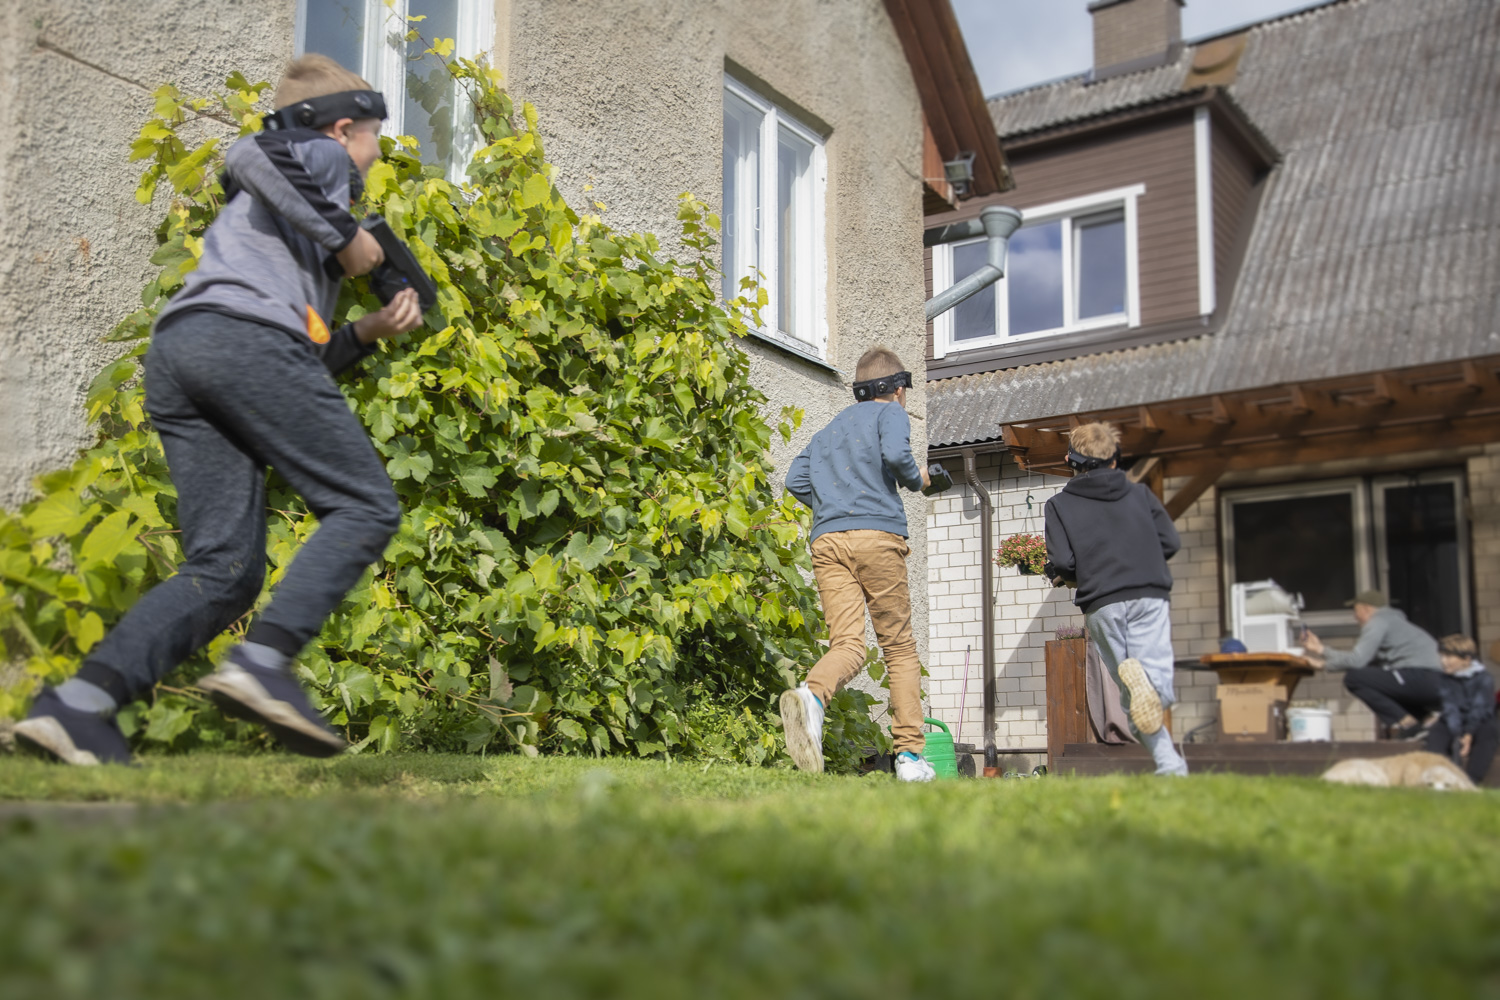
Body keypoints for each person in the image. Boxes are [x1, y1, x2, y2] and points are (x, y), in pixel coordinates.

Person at [14, 55, 424, 766]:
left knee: (226, 569)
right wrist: (348, 234)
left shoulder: (280, 232)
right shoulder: (319, 157)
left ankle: (75, 709)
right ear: (342, 128)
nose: (376, 156)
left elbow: (287, 368)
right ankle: (262, 664)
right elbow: (252, 152)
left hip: (188, 353)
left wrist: (364, 331)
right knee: (364, 504)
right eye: (374, 139)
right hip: (241, 341)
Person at [778, 347, 935, 781]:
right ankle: (909, 758)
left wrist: (833, 507)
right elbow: (899, 459)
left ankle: (812, 696)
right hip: (877, 538)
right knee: (898, 648)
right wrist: (920, 480)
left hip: (827, 541)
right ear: (898, 389)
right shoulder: (892, 413)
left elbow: (794, 479)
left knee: (847, 645)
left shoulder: (830, 429)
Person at [1044, 422, 1188, 776]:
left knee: (1131, 694)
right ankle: (1155, 697)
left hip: (1102, 602)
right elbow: (1170, 542)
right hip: (1148, 596)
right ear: (1114, 458)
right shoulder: (1140, 495)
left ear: (1070, 460)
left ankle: (1170, 766)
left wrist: (1069, 575)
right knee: (1152, 689)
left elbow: (1064, 563)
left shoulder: (1059, 505)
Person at [1301, 591, 1442, 739]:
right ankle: (1426, 721)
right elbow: (1360, 659)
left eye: (1355, 611)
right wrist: (1321, 649)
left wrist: (1322, 665)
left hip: (1422, 677)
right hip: (1435, 682)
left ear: (1366, 609)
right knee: (1377, 680)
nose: (1355, 617)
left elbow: (1357, 661)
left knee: (1354, 678)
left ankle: (1408, 723)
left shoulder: (1378, 622)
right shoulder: (1394, 622)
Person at [1424, 634, 1497, 784]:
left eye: (1449, 657)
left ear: (1466, 659)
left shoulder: (1484, 678)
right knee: (1437, 732)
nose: (1443, 661)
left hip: (1479, 720)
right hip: (1454, 720)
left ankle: (1470, 781)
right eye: (1442, 656)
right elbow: (1450, 707)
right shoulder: (1444, 680)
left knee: (1490, 731)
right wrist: (1457, 734)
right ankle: (1436, 778)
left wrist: (1469, 733)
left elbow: (1480, 708)